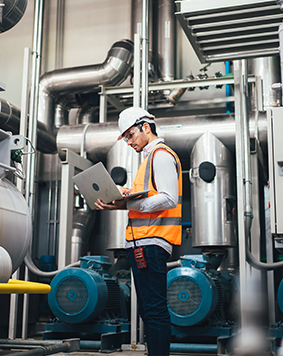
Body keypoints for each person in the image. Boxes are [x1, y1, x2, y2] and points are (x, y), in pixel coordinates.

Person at [95, 107, 182, 356]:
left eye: (131, 135)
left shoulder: (161, 155)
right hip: (142, 243)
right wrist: (121, 199)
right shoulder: (149, 159)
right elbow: (146, 199)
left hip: (152, 243)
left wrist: (128, 202)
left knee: (154, 310)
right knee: (147, 309)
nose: (129, 142)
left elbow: (168, 198)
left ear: (146, 127)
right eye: (125, 139)